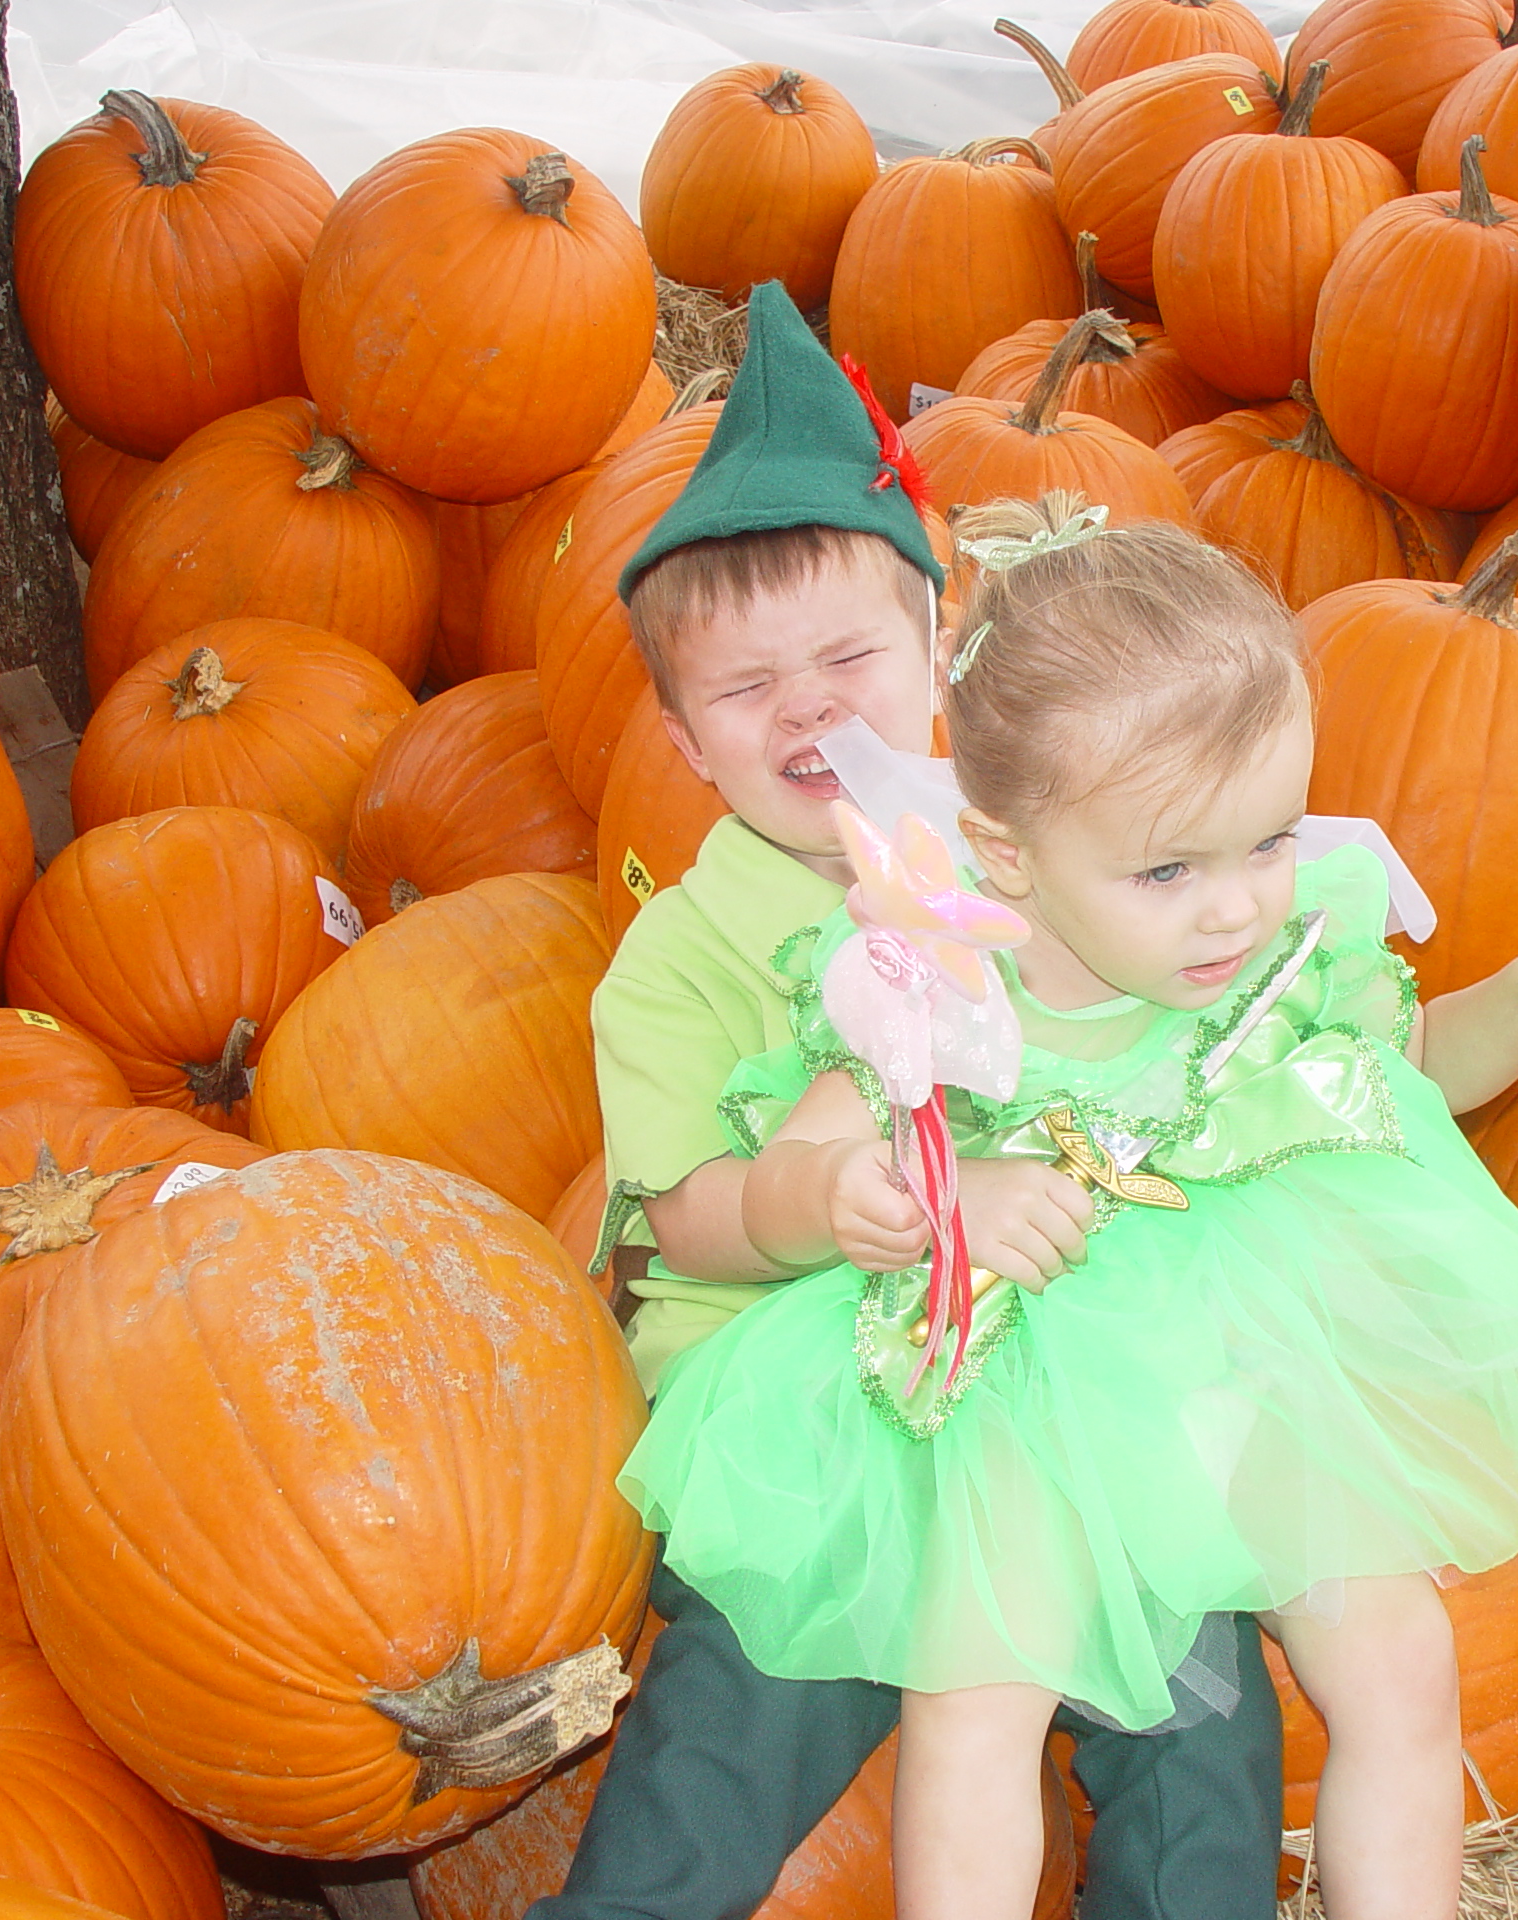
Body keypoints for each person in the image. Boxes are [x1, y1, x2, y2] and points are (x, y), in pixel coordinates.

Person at [620, 491, 1518, 1920]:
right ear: (1008, 854)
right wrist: (909, 1198)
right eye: (1172, 870)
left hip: (1243, 1365)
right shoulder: (934, 983)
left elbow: (1395, 1069)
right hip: (1026, 1402)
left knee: (1400, 1665)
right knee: (976, 1701)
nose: (1236, 906)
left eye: (1268, 841)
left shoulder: (1269, 955)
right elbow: (807, 1158)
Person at [535, 287, 1287, 1920]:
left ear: (940, 644)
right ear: (677, 732)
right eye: (746, 689)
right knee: (736, 1723)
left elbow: (1174, 1025)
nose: (807, 710)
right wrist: (824, 1203)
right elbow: (680, 1224)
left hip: (1063, 1399)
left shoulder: (1035, 851)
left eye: (850, 656)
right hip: (813, 1424)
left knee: (1197, 1698)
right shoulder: (672, 967)